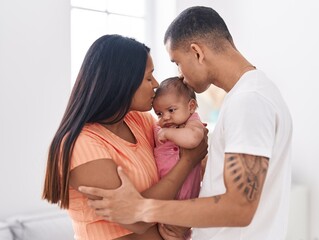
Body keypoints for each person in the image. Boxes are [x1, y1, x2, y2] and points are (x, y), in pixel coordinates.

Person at [79, 6, 293, 240]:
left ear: (197, 52)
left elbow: (239, 208)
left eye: (177, 62)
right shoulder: (251, 95)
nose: (179, 75)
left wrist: (142, 208)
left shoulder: (249, 101)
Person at [42, 34, 208, 240]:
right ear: (122, 81)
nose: (156, 84)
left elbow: (192, 141)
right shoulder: (81, 144)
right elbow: (136, 218)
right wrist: (188, 161)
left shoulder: (140, 121)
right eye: (148, 77)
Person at [153, 76, 204, 201]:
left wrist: (168, 133)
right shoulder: (160, 126)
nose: (165, 117)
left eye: (171, 110)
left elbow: (192, 139)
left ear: (191, 106)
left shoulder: (192, 123)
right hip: (165, 192)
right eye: (159, 113)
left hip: (188, 196)